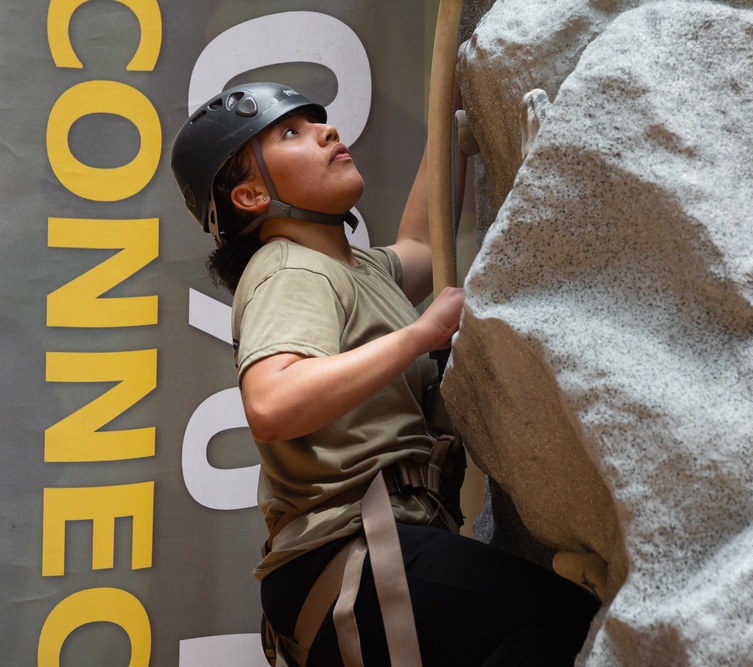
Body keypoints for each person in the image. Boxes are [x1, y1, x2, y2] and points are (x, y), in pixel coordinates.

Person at [171, 81, 599, 667]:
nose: (326, 130)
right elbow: (272, 403)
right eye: (290, 133)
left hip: (370, 551)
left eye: (315, 122)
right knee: (554, 622)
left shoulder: (356, 268)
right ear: (249, 196)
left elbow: (423, 243)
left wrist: (451, 103)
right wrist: (422, 335)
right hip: (345, 554)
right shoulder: (288, 270)